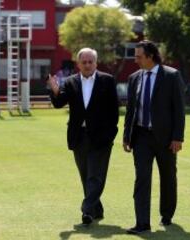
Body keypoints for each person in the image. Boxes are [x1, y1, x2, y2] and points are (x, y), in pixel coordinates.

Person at [47, 48, 119, 225]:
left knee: (96, 175)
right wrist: (54, 91)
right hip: (79, 137)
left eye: (90, 62)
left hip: (101, 137)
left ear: (96, 63)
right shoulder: (70, 82)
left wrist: (110, 134)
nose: (87, 65)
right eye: (84, 62)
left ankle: (87, 210)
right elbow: (59, 103)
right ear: (78, 64)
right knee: (86, 175)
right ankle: (97, 209)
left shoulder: (107, 80)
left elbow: (114, 111)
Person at [123, 40, 185, 234]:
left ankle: (166, 215)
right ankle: (142, 223)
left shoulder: (171, 76)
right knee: (142, 178)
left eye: (139, 56)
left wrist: (178, 137)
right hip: (140, 136)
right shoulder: (134, 78)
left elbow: (179, 110)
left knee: (168, 177)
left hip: (166, 138)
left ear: (150, 57)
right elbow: (131, 109)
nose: (136, 60)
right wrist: (127, 135)